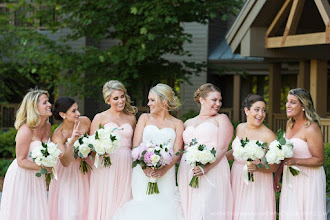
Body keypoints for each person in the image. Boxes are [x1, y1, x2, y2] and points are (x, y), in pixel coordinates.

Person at [113, 83, 184, 220]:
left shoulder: (177, 123)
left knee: (165, 209)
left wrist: (164, 170)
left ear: (164, 101)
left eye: (152, 100)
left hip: (166, 174)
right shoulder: (144, 118)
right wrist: (144, 167)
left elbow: (177, 151)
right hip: (142, 173)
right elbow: (136, 146)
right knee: (142, 207)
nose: (148, 103)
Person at [178, 83, 233, 220]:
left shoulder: (221, 119)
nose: (218, 104)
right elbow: (180, 151)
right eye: (214, 100)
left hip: (213, 170)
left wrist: (207, 167)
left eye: (220, 100)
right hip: (188, 171)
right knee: (189, 208)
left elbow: (222, 148)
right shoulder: (187, 123)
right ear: (202, 100)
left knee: (208, 207)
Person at [88, 80, 137, 220]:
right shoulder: (100, 117)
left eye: (122, 96)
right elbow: (92, 146)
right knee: (107, 198)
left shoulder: (131, 118)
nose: (120, 101)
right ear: (107, 100)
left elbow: (134, 145)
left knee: (125, 198)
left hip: (126, 163)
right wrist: (100, 150)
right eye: (116, 98)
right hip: (106, 164)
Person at [274, 88, 326, 219]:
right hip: (290, 178)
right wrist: (277, 175)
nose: (287, 105)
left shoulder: (311, 128)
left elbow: (319, 160)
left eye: (292, 102)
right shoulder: (289, 124)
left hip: (309, 179)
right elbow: (285, 154)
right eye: (287, 102)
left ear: (303, 106)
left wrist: (296, 162)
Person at [0, 89, 52, 220]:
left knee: (36, 211)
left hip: (36, 176)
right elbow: (21, 160)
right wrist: (43, 168)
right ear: (34, 107)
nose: (49, 104)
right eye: (45, 102)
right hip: (21, 176)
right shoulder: (26, 130)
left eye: (48, 101)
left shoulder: (47, 126)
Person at [226, 94, 276, 219]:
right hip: (237, 177)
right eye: (257, 109)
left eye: (264, 110)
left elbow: (274, 166)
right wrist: (216, 160)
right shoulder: (240, 127)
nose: (261, 114)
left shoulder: (268, 135)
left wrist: (257, 168)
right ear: (246, 110)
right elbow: (235, 152)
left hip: (258, 182)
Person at [48, 97, 91, 220]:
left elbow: (95, 143)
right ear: (63, 114)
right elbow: (65, 162)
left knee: (87, 208)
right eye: (73, 111)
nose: (78, 114)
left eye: (77, 110)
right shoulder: (58, 134)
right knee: (72, 212)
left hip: (86, 170)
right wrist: (71, 142)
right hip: (68, 175)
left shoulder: (85, 122)